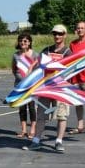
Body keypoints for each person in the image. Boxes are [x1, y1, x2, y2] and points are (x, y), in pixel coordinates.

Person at [24, 24, 72, 153]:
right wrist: (29, 77)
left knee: (62, 116)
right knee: (41, 116)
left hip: (61, 88)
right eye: (55, 33)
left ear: (65, 35)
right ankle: (36, 141)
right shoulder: (46, 50)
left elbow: (70, 71)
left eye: (60, 34)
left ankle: (58, 141)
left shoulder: (68, 52)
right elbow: (36, 65)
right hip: (46, 88)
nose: (57, 36)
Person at [12, 33, 38, 139]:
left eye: (25, 41)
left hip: (31, 86)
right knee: (22, 108)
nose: (23, 43)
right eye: (21, 41)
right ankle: (23, 130)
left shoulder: (35, 55)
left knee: (32, 108)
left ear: (29, 42)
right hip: (19, 86)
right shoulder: (16, 55)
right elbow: (14, 69)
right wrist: (19, 79)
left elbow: (39, 70)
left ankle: (32, 130)